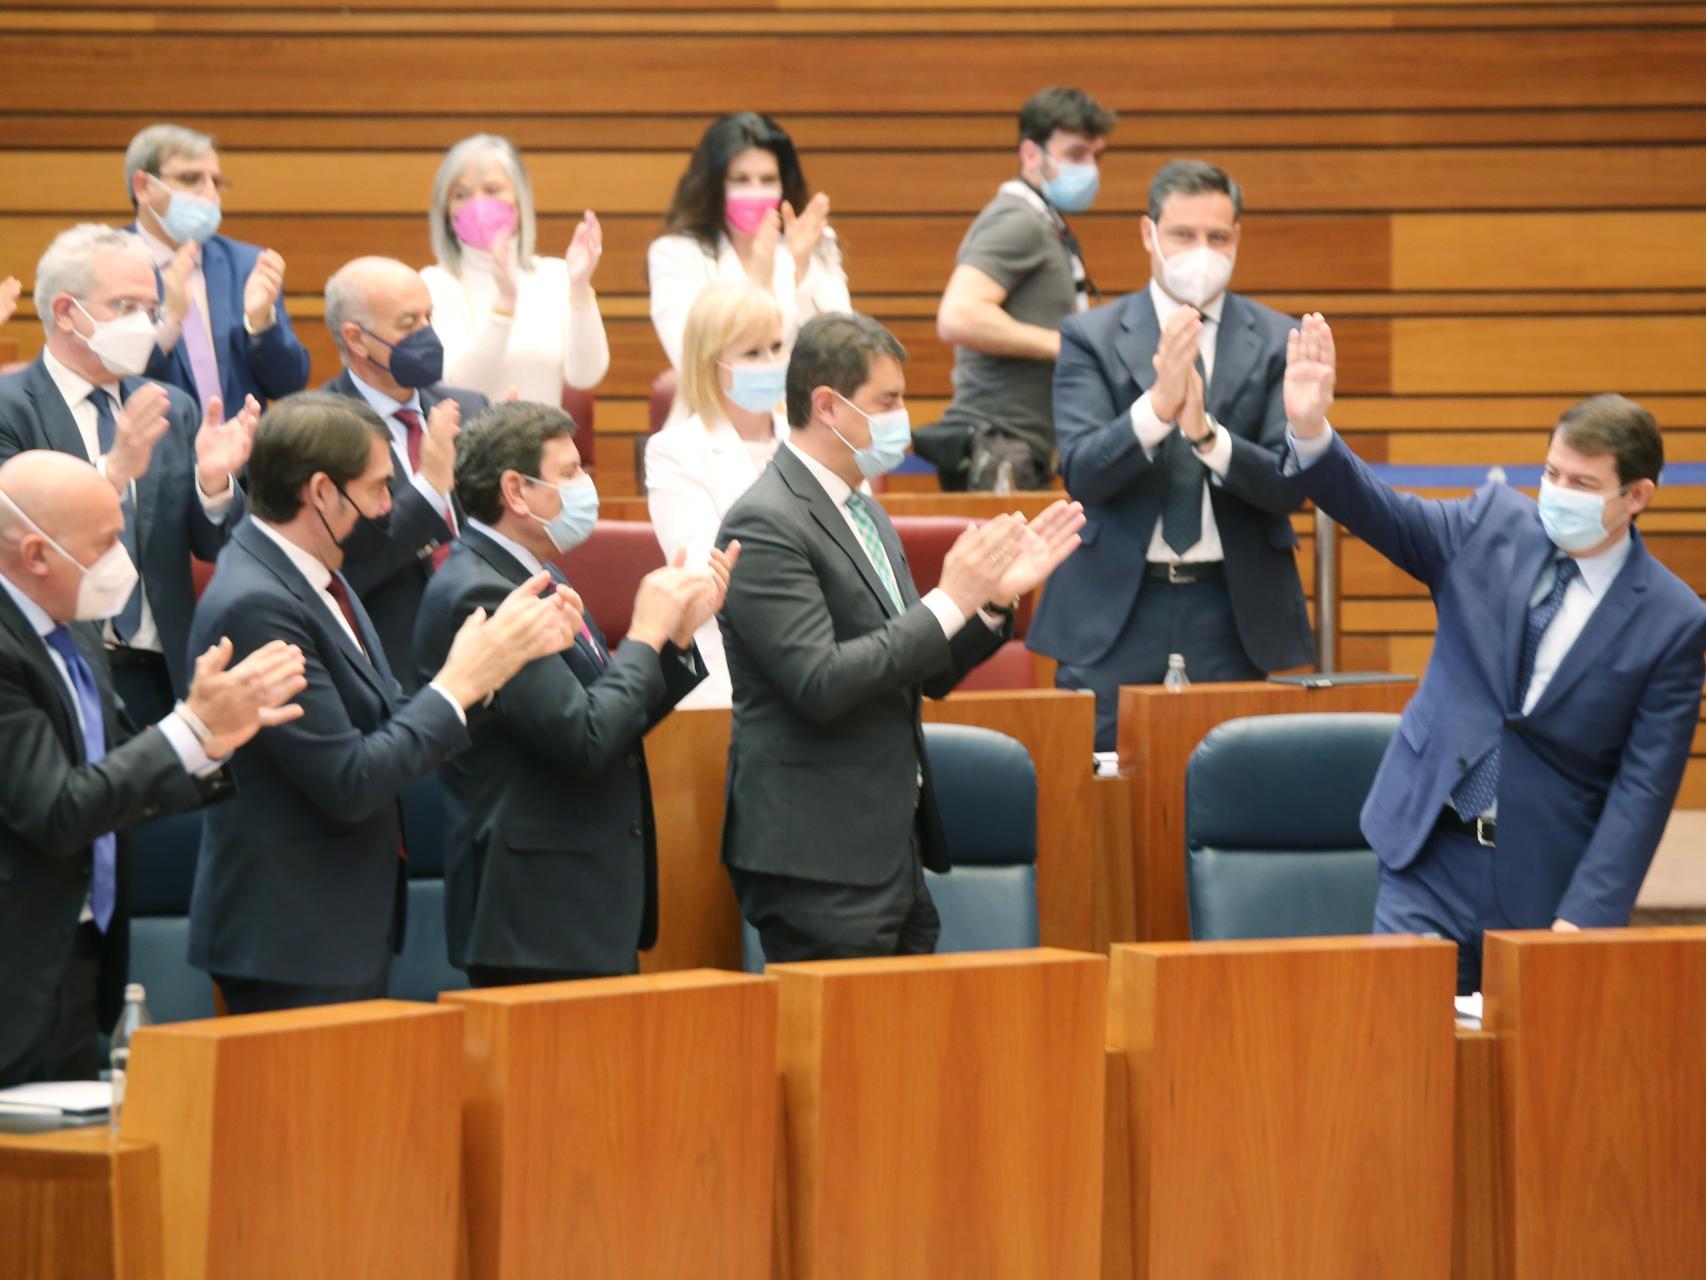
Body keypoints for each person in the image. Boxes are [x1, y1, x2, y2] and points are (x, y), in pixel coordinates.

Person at [1285, 314, 1706, 994]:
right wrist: (1310, 431)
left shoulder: (1674, 622)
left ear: (1636, 497)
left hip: (1545, 881)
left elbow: (1644, 787)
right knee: (1403, 1046)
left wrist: (1587, 915)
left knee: (1522, 1087)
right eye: (1551, 474)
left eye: (1581, 485)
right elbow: (1381, 513)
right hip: (1428, 848)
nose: (1557, 496)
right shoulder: (1491, 524)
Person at [187, 392, 581, 1014]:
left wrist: (490, 669)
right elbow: (350, 777)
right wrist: (459, 683)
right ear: (321, 492)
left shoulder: (319, 574)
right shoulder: (256, 603)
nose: (386, 508)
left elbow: (389, 710)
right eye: (377, 488)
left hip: (336, 923)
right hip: (293, 937)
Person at [716, 313, 1084, 961]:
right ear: (827, 405)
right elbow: (820, 683)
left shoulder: (865, 511)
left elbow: (925, 670)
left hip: (890, 849)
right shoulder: (765, 521)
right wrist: (952, 598)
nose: (903, 416)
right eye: (888, 400)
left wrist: (994, 603)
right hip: (818, 861)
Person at [0, 449, 306, 1086]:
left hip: (82, 959)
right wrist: (188, 727)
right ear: (35, 555)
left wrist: (211, 742)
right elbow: (57, 811)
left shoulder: (73, 627)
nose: (123, 564)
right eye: (107, 543)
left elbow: (112, 768)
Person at [414, 402, 732, 984]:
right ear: (516, 491)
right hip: (536, 919)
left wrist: (675, 640)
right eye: (569, 472)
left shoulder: (535, 572)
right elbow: (585, 739)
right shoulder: (483, 594)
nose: (587, 486)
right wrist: (643, 632)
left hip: (580, 903)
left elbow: (610, 714)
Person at [1027, 160, 1315, 752]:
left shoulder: (1277, 339)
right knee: (1099, 793)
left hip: (1231, 608)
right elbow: (1082, 471)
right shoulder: (1091, 336)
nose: (1201, 251)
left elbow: (1290, 486)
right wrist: (1157, 410)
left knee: (1234, 791)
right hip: (1113, 610)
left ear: (1237, 239)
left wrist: (1208, 436)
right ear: (1148, 234)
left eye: (1218, 237)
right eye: (1184, 234)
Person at [0, 225, 257, 726]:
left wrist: (214, 485)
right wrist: (112, 473)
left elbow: (214, 545)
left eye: (150, 308)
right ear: (66, 313)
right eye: (124, 307)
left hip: (166, 676)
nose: (144, 324)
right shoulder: (9, 409)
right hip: (55, 673)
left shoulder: (170, 407)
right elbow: (13, 542)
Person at [928, 87, 1116, 490]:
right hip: (997, 447)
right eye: (1076, 154)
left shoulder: (1044, 221)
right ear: (1031, 154)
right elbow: (959, 316)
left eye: (1096, 156)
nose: (1091, 168)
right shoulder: (1019, 221)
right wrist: (1065, 345)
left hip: (1020, 447)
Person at [323, 255, 490, 683]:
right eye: (408, 322)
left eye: (428, 318)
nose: (427, 335)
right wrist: (430, 491)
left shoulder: (471, 409)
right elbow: (338, 569)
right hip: (390, 668)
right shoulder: (317, 429)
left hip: (489, 650)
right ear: (357, 339)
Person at [645, 283, 787, 706]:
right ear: (711, 364)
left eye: (777, 346)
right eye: (752, 353)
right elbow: (708, 576)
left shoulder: (813, 441)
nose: (772, 362)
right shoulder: (676, 450)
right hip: (729, 679)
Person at [123, 124, 310, 411]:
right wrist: (169, 322)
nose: (209, 193)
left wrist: (261, 324)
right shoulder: (104, 265)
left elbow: (289, 385)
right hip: (152, 449)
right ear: (143, 186)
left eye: (216, 181)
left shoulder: (247, 264)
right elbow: (110, 374)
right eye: (191, 178)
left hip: (241, 450)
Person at [648, 112, 849, 380]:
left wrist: (802, 272)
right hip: (711, 416)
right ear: (716, 185)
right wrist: (758, 285)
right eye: (740, 180)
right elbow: (691, 359)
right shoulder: (676, 254)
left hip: (802, 414)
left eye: (767, 180)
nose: (755, 191)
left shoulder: (813, 242)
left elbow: (843, 354)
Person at [420, 134, 610, 405]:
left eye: (492, 190)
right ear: (446, 213)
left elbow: (586, 376)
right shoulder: (434, 284)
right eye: (461, 195)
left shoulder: (554, 276)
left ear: (519, 201)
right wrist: (504, 305)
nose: (478, 204)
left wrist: (579, 289)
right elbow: (459, 387)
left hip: (544, 442)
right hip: (472, 445)